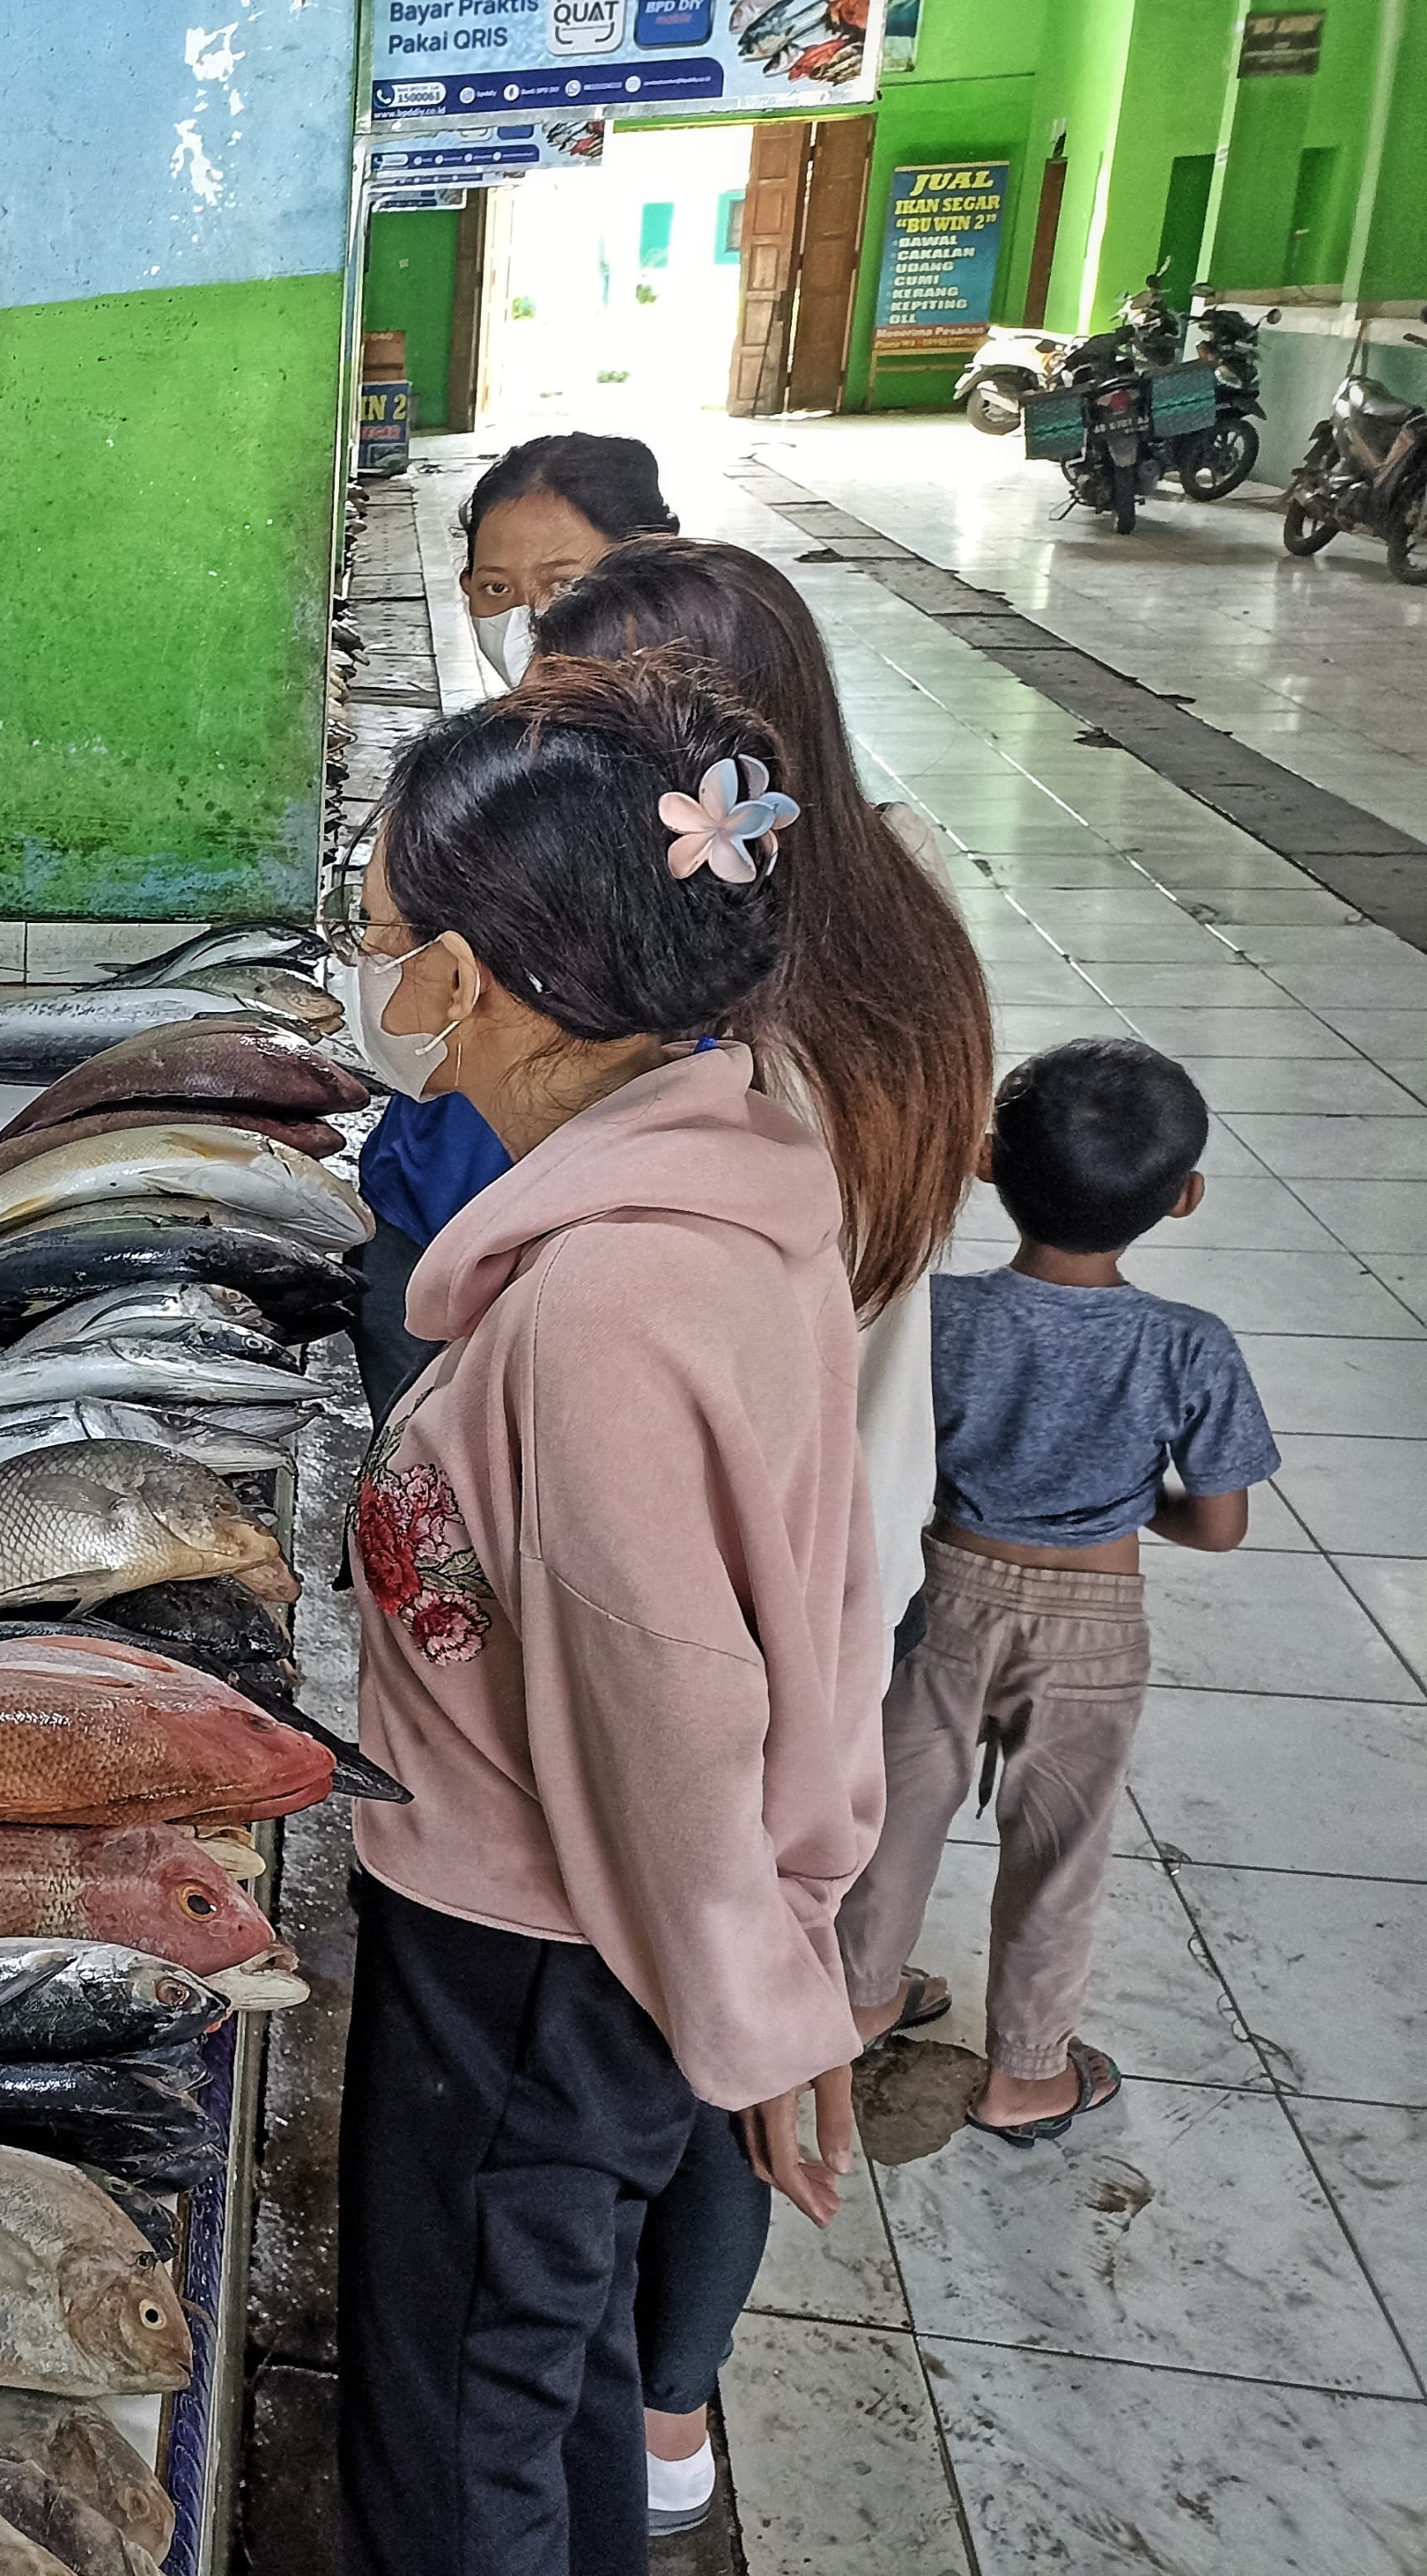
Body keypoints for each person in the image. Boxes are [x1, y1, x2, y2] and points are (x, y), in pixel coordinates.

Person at [331, 651, 883, 2576]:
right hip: (592, 1939)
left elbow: (670, 1704)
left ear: (469, 979)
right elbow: (820, 1578)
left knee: (446, 2417)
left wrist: (763, 1986)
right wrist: (783, 1924)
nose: (379, 968)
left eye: (384, 926)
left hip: (535, 1951)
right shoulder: (741, 1170)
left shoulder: (593, 1315)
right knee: (539, 2365)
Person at [530, 537, 995, 2536]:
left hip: (730, 1594)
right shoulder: (896, 921)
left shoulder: (742, 1058)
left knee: (713, 2019)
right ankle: (668, 2408)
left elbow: (678, 1412)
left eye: (561, 731)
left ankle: (644, 2418)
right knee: (739, 2004)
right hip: (845, 1564)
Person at [837, 1039, 1274, 2143]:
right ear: (1184, 1197)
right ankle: (1027, 2071)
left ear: (986, 1161)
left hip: (941, 1596)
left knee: (895, 1813)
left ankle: (858, 1996)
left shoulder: (934, 1313)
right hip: (1094, 1625)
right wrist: (1132, 1507)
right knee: (1058, 1854)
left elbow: (888, 1454)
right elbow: (1220, 1525)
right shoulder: (1190, 1346)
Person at [350, 435, 680, 1428]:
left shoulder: (696, 809)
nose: (528, 615)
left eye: (561, 581)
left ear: (646, 562)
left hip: (576, 1236)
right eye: (493, 588)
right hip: (429, 1207)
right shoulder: (479, 764)